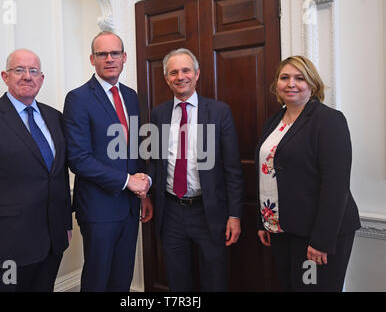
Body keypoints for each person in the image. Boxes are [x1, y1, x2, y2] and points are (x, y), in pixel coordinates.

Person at [0, 49, 73, 292]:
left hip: (51, 243)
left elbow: (59, 175)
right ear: (5, 76)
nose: (27, 76)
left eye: (33, 71)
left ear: (41, 78)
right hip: (6, 247)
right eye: (19, 70)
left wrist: (65, 224)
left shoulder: (55, 117)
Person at [256, 55, 361, 291]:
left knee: (311, 288)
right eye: (284, 78)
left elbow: (336, 185)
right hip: (281, 228)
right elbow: (267, 173)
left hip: (316, 233)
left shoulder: (329, 120)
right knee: (291, 286)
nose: (290, 83)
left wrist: (321, 240)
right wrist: (264, 221)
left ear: (312, 84)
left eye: (299, 78)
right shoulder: (274, 121)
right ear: (277, 84)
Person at [143, 48, 244, 291]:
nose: (180, 76)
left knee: (215, 281)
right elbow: (154, 161)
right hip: (171, 213)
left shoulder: (220, 112)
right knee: (178, 282)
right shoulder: (159, 114)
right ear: (166, 79)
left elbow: (232, 168)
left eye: (186, 70)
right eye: (173, 72)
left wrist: (235, 215)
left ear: (197, 74)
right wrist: (146, 194)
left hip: (209, 212)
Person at [62, 31, 153, 292]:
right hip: (98, 208)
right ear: (92, 59)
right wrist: (127, 182)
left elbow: (134, 149)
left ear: (124, 58)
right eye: (102, 54)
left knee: (121, 278)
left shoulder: (131, 96)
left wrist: (143, 192)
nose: (109, 59)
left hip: (129, 206)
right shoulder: (78, 98)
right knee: (97, 279)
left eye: (115, 53)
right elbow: (79, 159)